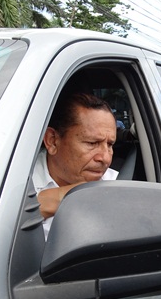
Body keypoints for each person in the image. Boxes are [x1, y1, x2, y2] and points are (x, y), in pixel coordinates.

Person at [32, 90, 118, 237]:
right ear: (52, 141)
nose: (105, 158)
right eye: (92, 143)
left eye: (110, 145)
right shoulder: (9, 187)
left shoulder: (118, 186)